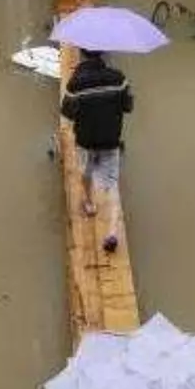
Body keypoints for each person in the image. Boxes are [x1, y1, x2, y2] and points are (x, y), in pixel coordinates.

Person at [60, 49, 134, 254]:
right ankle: (111, 234)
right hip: (111, 140)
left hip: (85, 140)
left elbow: (66, 112)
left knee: (86, 171)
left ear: (83, 55)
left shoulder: (76, 83)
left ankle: (89, 203)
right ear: (104, 54)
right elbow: (128, 106)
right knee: (110, 186)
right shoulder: (119, 78)